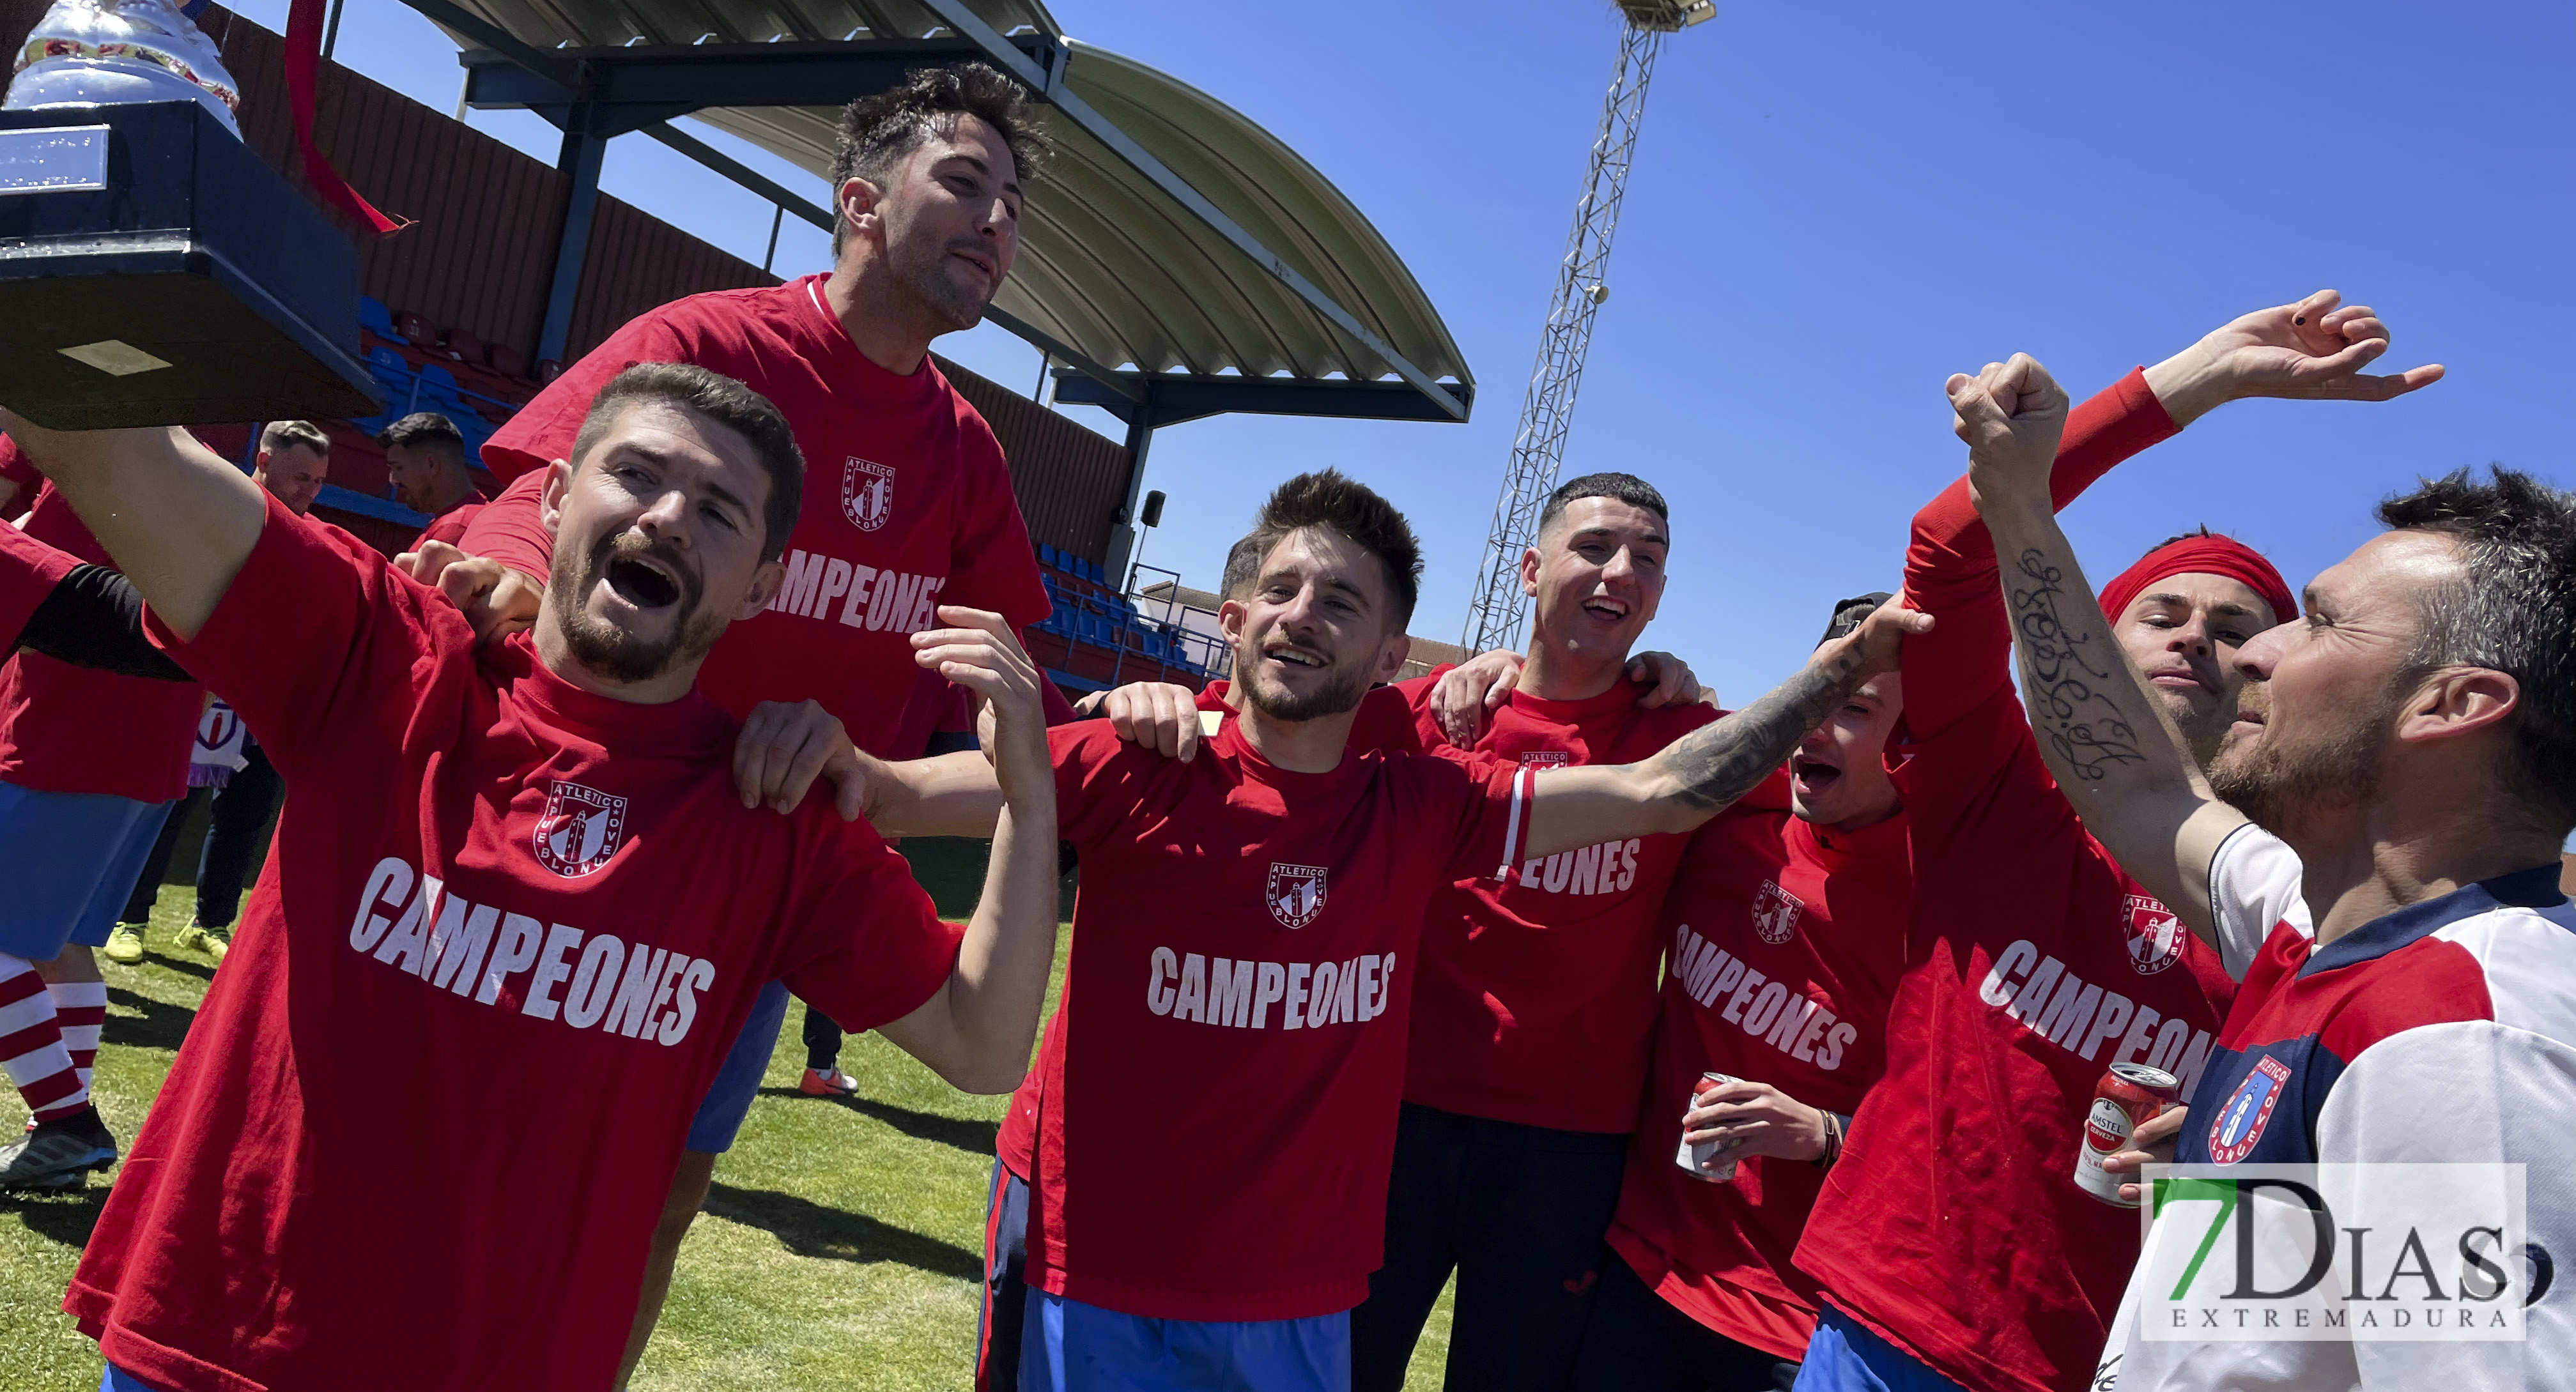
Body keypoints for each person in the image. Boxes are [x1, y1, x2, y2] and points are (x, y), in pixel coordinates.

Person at [2, 360, 1064, 1391]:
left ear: (763, 587)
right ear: (556, 496)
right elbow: (115, 449)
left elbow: (979, 1042)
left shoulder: (773, 815)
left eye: (721, 511)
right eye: (639, 474)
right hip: (223, 1344)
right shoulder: (383, 656)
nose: (667, 517)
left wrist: (1028, 788)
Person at [828, 468, 1927, 1392]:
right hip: (1148, 1223)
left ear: (1387, 642)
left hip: (1365, 1242)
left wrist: (1840, 666)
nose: (1306, 613)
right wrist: (828, 751)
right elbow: (904, 791)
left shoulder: (1437, 797)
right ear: (1236, 614)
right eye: (1283, 589)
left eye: (1343, 602)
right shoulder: (1185, 751)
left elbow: (1666, 791)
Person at [413, 62, 1063, 1382]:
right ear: (861, 201)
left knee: (660, 1191)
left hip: (754, 872)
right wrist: (519, 582)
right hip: (577, 840)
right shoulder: (713, 343)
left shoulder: (965, 453)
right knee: (453, 1155)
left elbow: (1006, 696)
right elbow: (534, 496)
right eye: (965, 183)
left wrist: (875, 773)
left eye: (1012, 205)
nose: (997, 223)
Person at [1787, 292, 2442, 1392]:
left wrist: (2224, 1173)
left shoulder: (2302, 885)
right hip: (1895, 1328)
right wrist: (2195, 379)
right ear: (2085, 633)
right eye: (2163, 611)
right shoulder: (1991, 778)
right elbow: (1947, 553)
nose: (2197, 634)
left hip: (2121, 1356)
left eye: (2236, 628)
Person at [1956, 357, 2576, 1387]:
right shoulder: (2325, 919)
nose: (2251, 653)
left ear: (2450, 706)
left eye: (2322, 622)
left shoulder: (2456, 1034)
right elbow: (2132, 782)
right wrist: (2015, 498)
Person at [1348, 471, 1728, 1392]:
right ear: (1529, 567)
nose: (1619, 570)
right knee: (1338, 1369)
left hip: (1568, 1142)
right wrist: (1145, 707)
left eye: (1646, 558)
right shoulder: (1434, 711)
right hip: (1394, 1111)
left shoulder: (1684, 736)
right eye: (1593, 546)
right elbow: (1263, 728)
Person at [1572, 593, 1914, 1391]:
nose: (1812, 725)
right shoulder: (1721, 817)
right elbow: (1594, 731)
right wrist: (1494, 668)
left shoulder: (1939, 912)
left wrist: (1826, 1130)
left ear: (1913, 742)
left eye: (1853, 708)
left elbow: (1953, 1125)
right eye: (1809, 694)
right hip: (1631, 1263)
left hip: (1787, 1317)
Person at [0, 433, 203, 1189]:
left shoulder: (78, 449)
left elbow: (29, 581)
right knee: (62, 943)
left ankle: (64, 1120)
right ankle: (57, 1140)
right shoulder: (179, 454)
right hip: (147, 743)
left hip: (68, 731)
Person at [104, 424, 345, 965]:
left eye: (320, 481)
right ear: (263, 459)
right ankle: (129, 916)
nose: (311, 490)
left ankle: (209, 921)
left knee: (244, 815)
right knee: (168, 807)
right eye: (301, 476)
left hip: (266, 704)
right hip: (201, 692)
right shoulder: (219, 514)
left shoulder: (315, 538)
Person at [379, 411, 489, 548]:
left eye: (399, 468)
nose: (393, 480)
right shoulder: (468, 517)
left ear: (431, 464)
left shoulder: (454, 528)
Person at [250, 418, 330, 516]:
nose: (311, 492)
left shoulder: (320, 529)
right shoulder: (229, 505)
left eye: (318, 481)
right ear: (264, 463)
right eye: (302, 478)